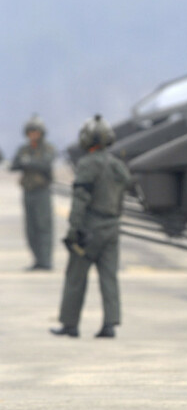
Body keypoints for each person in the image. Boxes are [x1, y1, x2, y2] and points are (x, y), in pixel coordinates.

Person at [51, 115, 131, 339]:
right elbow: (124, 190)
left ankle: (70, 324)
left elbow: (80, 200)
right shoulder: (117, 165)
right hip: (112, 228)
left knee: (76, 276)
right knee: (109, 277)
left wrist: (73, 230)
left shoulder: (87, 164)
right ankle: (110, 323)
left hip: (89, 230)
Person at [11, 115, 56, 271]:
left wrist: (29, 162)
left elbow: (45, 164)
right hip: (28, 192)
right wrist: (25, 162)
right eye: (30, 131)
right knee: (31, 228)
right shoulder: (24, 149)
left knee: (43, 226)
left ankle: (46, 260)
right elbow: (14, 165)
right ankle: (37, 259)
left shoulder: (47, 149)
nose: (33, 134)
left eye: (35, 131)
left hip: (42, 192)